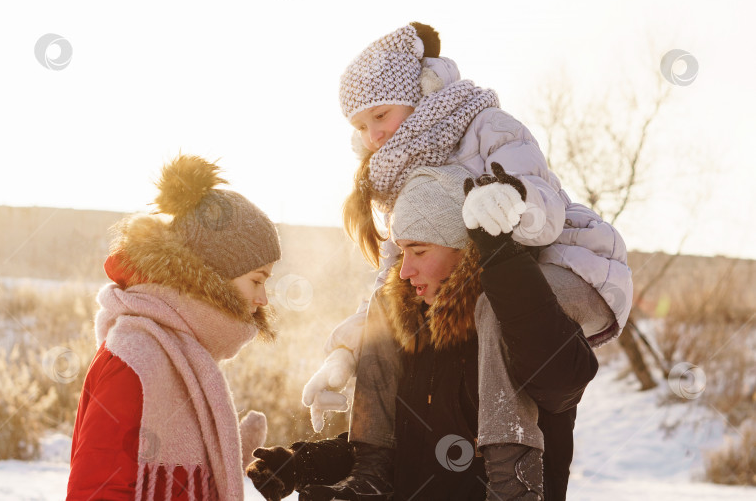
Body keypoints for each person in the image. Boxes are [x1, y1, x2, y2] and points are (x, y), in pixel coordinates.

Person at [303, 22, 632, 434]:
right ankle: (369, 468)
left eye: (381, 115)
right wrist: (344, 352)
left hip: (574, 266)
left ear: (419, 90)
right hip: (502, 286)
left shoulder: (489, 127)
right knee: (398, 310)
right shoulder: (405, 174)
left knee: (495, 303)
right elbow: (388, 281)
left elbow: (544, 213)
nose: (373, 136)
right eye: (360, 127)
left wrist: (509, 198)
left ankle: (511, 473)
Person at [248, 164, 599, 500]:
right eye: (402, 252)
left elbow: (560, 385)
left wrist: (504, 264)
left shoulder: (518, 319)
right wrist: (304, 463)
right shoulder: (413, 331)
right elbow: (400, 449)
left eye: (419, 250)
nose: (404, 270)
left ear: (466, 250)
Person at [66, 154, 281, 501]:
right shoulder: (135, 359)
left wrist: (223, 465)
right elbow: (97, 490)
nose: (264, 299)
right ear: (216, 273)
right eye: (257, 280)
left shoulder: (183, 353)